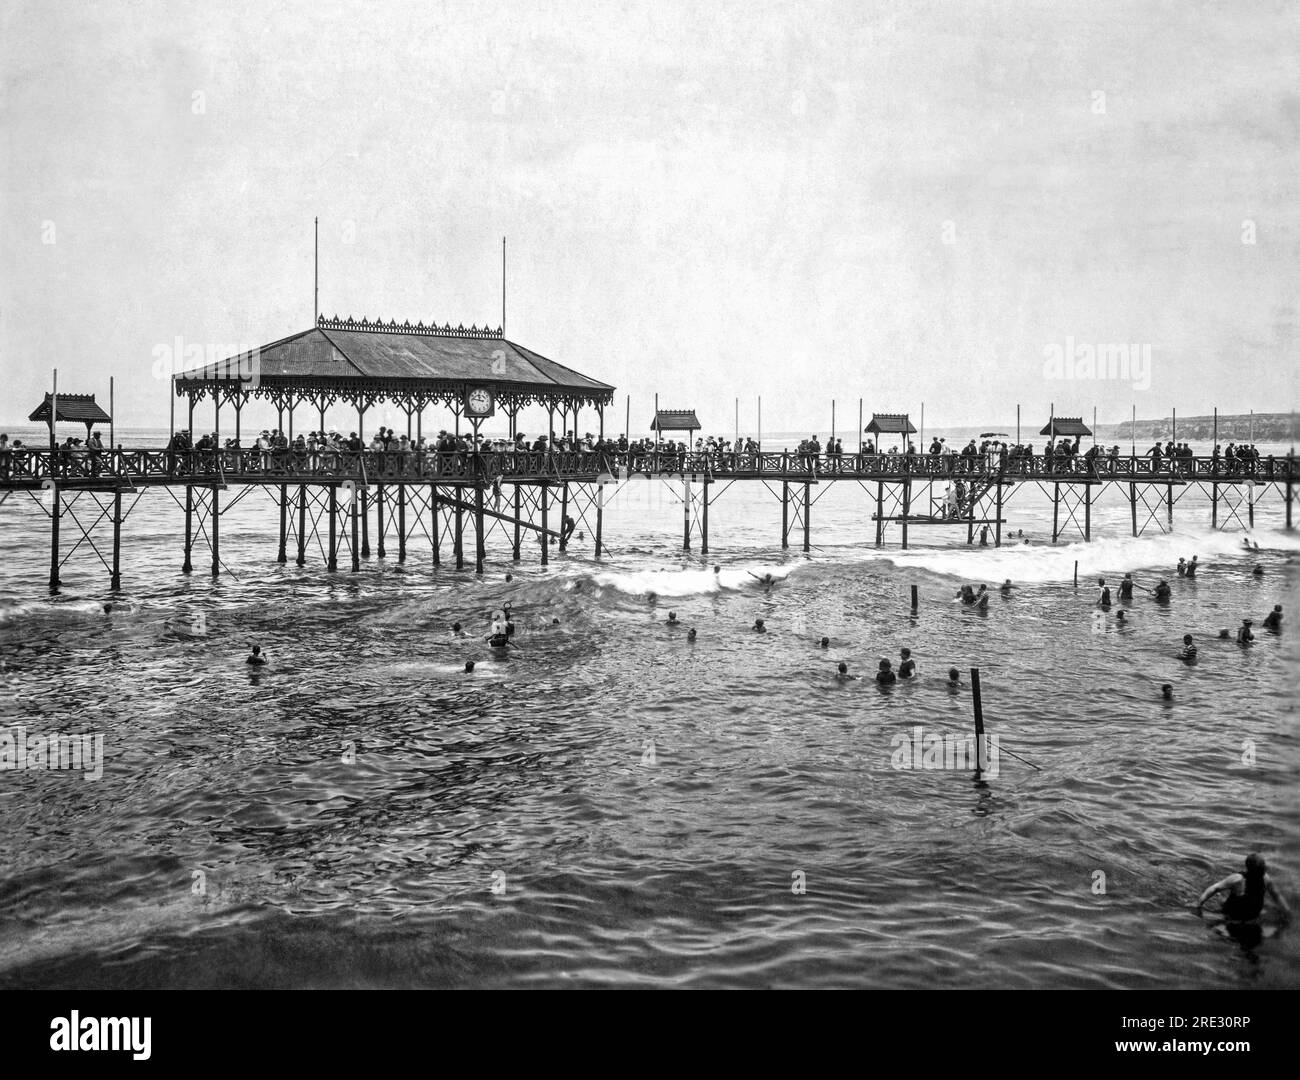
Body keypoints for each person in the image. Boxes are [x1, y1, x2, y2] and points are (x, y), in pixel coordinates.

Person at [1196, 853, 1290, 924]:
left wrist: (1286, 911)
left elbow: (1276, 895)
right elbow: (1214, 888)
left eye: (1263, 870)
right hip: (1231, 914)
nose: (1263, 873)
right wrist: (1199, 904)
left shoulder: (1265, 878)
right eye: (1260, 871)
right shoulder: (1237, 879)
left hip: (1252, 915)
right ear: (1250, 870)